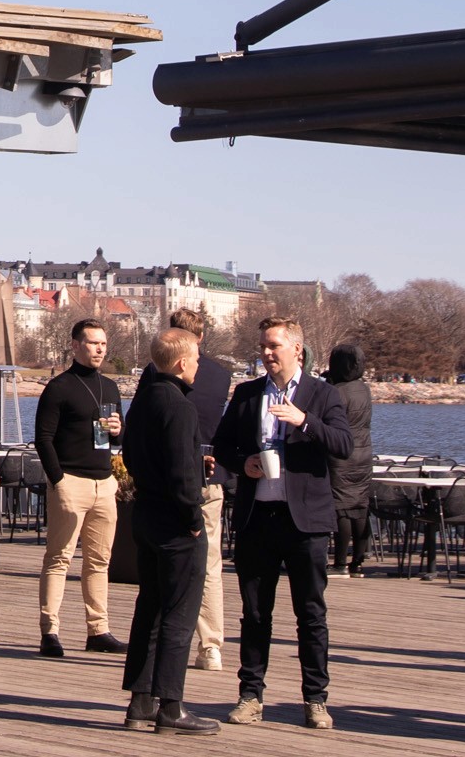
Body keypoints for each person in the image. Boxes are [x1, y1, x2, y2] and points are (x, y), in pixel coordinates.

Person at [213, 317, 352, 732]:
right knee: (255, 614)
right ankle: (250, 695)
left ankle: (315, 699)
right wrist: (245, 464)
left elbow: (344, 445)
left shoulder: (323, 395)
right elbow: (222, 446)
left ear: (297, 349)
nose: (267, 353)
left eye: (273, 346)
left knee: (310, 614)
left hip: (306, 521)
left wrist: (303, 421)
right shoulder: (248, 393)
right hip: (259, 517)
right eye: (262, 347)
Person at [120, 328, 223, 736]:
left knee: (150, 607)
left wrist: (194, 468)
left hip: (145, 513)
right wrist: (194, 520)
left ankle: (141, 699)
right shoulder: (180, 406)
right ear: (181, 363)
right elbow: (182, 476)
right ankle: (172, 705)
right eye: (196, 358)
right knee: (179, 615)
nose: (199, 365)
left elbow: (133, 453)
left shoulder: (144, 399)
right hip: (175, 523)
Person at [34, 318, 126, 656]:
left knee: (99, 561)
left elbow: (120, 438)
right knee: (59, 558)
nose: (99, 349)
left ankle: (98, 630)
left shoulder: (111, 388)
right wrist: (58, 480)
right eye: (92, 343)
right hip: (70, 481)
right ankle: (50, 631)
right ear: (75, 346)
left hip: (104, 482)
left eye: (103, 343)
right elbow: (42, 439)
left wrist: (117, 431)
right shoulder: (60, 388)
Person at [163, 308, 233, 673]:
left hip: (171, 478)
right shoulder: (221, 375)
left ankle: (168, 638)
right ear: (201, 337)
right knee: (209, 564)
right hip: (209, 476)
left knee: (168, 561)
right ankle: (211, 645)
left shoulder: (160, 373)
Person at [323, 344, 373, 580]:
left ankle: (340, 562)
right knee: (359, 506)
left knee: (342, 507)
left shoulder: (337, 392)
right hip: (364, 453)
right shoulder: (363, 389)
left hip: (341, 455)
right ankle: (358, 562)